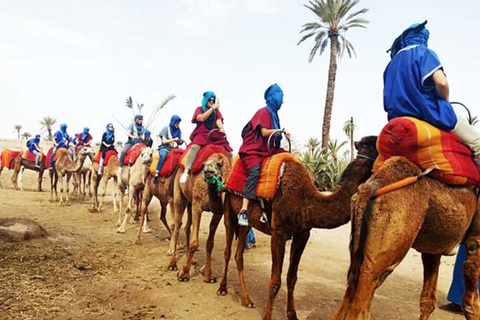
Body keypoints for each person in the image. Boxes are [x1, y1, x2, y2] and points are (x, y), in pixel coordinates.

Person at [384, 21, 480, 169]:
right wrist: (444, 101)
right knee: (478, 142)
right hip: (429, 114)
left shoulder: (390, 65)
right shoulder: (424, 52)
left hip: (397, 120)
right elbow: (441, 83)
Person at [237, 84, 290, 226]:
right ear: (274, 98)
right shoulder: (263, 112)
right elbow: (264, 132)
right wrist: (280, 131)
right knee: (255, 171)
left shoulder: (274, 115)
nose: (281, 102)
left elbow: (274, 137)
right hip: (253, 150)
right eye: (280, 98)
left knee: (289, 161)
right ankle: (244, 209)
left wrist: (283, 135)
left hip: (267, 150)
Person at [179, 91, 233, 184]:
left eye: (213, 100)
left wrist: (221, 128)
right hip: (202, 133)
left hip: (214, 134)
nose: (211, 101)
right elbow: (201, 118)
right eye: (210, 100)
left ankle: (230, 175)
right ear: (206, 100)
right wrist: (212, 108)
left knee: (229, 153)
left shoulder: (217, 111)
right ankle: (186, 172)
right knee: (194, 147)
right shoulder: (199, 109)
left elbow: (218, 120)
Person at [153, 115, 184, 184]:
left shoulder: (179, 131)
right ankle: (157, 173)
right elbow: (164, 141)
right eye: (176, 123)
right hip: (165, 147)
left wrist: (181, 141)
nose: (178, 124)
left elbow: (178, 142)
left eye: (179, 123)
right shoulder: (166, 129)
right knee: (163, 155)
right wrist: (173, 139)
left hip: (174, 148)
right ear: (173, 122)